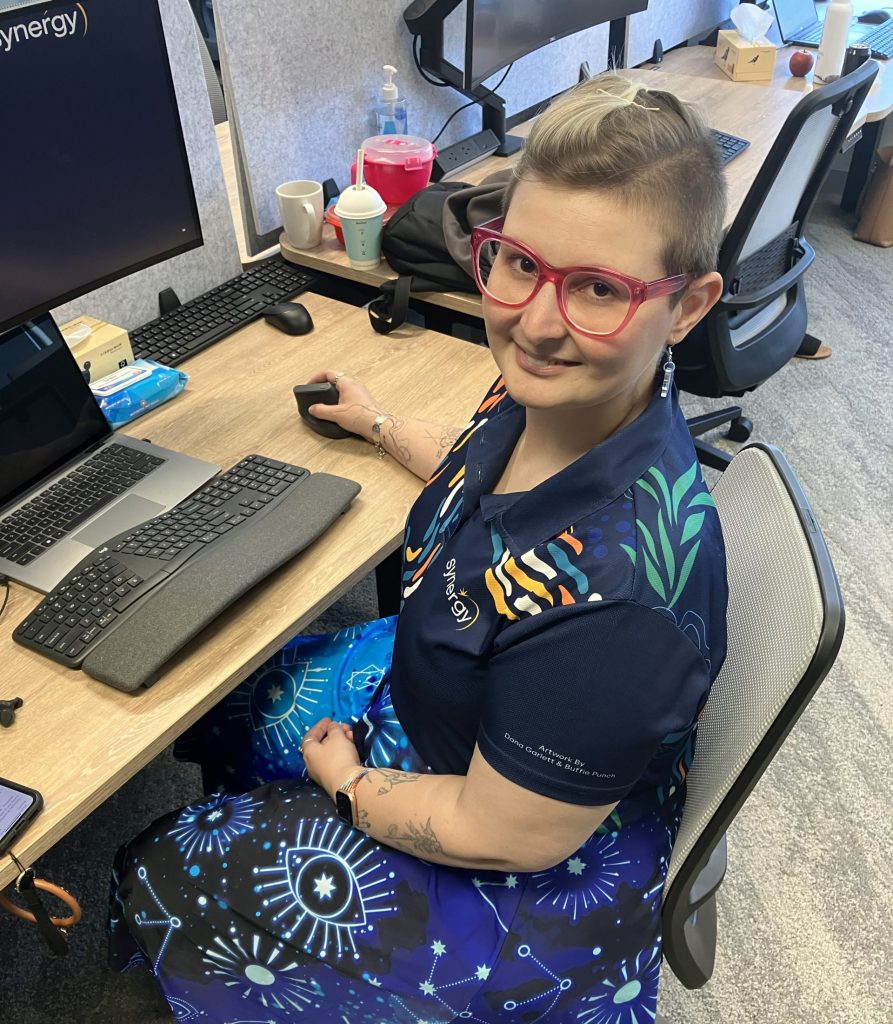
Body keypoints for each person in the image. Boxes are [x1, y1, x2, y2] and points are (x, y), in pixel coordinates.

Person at [110, 72, 729, 1024]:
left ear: (686, 307)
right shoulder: (548, 396)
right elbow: (485, 466)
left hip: (520, 875)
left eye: (598, 288)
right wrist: (379, 423)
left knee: (161, 862)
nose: (534, 320)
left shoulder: (622, 600)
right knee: (230, 700)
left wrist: (352, 788)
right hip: (451, 703)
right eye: (517, 263)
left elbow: (502, 833)